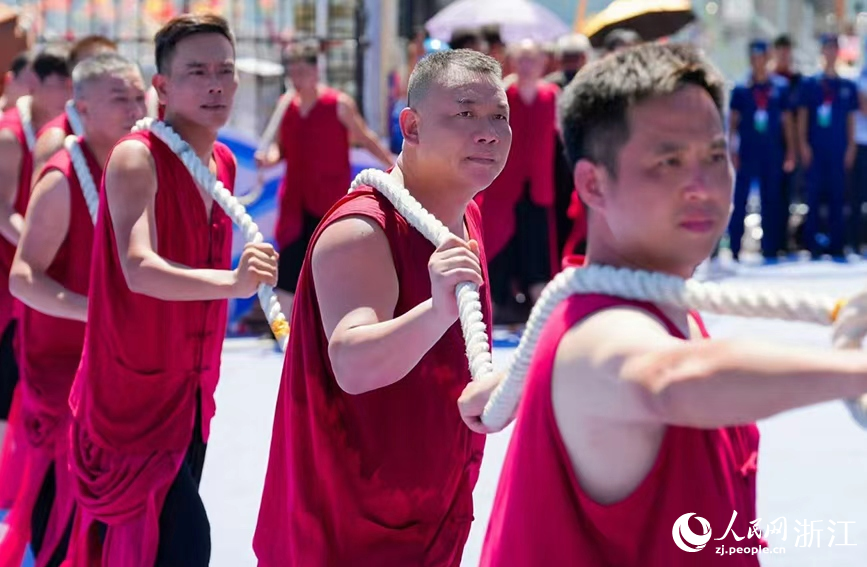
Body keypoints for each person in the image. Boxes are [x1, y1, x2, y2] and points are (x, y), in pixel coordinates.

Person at [476, 41, 867, 567]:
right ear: (592, 183)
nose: (702, 186)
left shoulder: (647, 299)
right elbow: (666, 378)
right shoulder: (600, 330)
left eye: (715, 157)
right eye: (668, 161)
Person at [254, 48, 510, 566]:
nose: (489, 133)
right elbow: (352, 363)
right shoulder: (361, 230)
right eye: (465, 113)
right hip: (348, 535)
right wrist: (435, 311)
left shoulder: (466, 217)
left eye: (499, 117)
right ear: (411, 127)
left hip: (433, 513)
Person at [64, 15, 278, 567]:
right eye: (197, 72)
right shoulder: (136, 156)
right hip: (131, 403)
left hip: (192, 395)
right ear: (161, 87)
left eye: (225, 71)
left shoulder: (221, 161)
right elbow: (139, 267)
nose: (215, 84)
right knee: (183, 546)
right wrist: (234, 283)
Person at [0, 52, 146, 567]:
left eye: (139, 96)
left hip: (120, 368)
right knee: (60, 510)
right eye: (120, 98)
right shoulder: (62, 176)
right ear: (81, 108)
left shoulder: (141, 167)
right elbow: (23, 277)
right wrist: (97, 312)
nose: (135, 108)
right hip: (63, 372)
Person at [255, 40, 394, 316]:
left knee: (331, 265)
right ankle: (285, 330)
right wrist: (268, 159)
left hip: (328, 201)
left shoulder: (338, 104)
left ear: (315, 71)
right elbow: (281, 150)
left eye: (302, 72)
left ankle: (333, 325)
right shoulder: (286, 106)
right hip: (295, 202)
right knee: (289, 268)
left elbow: (365, 138)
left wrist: (392, 164)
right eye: (293, 72)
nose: (297, 78)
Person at [0, 47, 70, 457]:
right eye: (60, 84)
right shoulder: (10, 135)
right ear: (35, 85)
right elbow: (1, 210)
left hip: (34, 272)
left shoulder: (65, 131)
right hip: (11, 274)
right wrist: (39, 247)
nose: (68, 92)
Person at [478, 39, 558, 323]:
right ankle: (494, 306)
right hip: (503, 186)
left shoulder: (552, 95)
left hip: (539, 187)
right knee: (498, 247)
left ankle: (540, 314)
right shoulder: (502, 95)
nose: (526, 66)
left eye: (532, 59)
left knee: (537, 250)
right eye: (521, 59)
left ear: (543, 63)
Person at [728, 39, 796, 261]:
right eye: (754, 57)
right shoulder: (741, 88)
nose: (758, 61)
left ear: (768, 58)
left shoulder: (780, 87)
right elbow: (733, 123)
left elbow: (787, 122)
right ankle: (735, 247)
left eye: (762, 56)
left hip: (772, 151)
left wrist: (790, 150)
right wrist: (732, 151)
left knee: (771, 200)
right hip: (748, 151)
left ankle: (770, 248)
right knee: (740, 199)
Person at [798, 33, 858, 259]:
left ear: (838, 52)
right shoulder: (811, 84)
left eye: (834, 48)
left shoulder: (847, 85)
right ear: (822, 51)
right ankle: (812, 244)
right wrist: (803, 144)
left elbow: (851, 119)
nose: (830, 52)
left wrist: (851, 147)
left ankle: (837, 244)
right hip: (816, 148)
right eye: (827, 48)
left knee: (838, 197)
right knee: (813, 196)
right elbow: (803, 116)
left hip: (838, 148)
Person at [31, 35, 118, 177]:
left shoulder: (131, 128)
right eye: (94, 72)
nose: (109, 78)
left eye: (115, 67)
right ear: (72, 83)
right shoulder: (55, 140)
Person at [772, 34, 805, 252]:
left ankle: (788, 240)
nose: (784, 56)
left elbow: (801, 115)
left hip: (793, 145)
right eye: (780, 51)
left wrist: (797, 146)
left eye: (787, 52)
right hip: (772, 145)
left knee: (791, 195)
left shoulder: (798, 81)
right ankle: (772, 241)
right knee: (772, 196)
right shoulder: (767, 80)